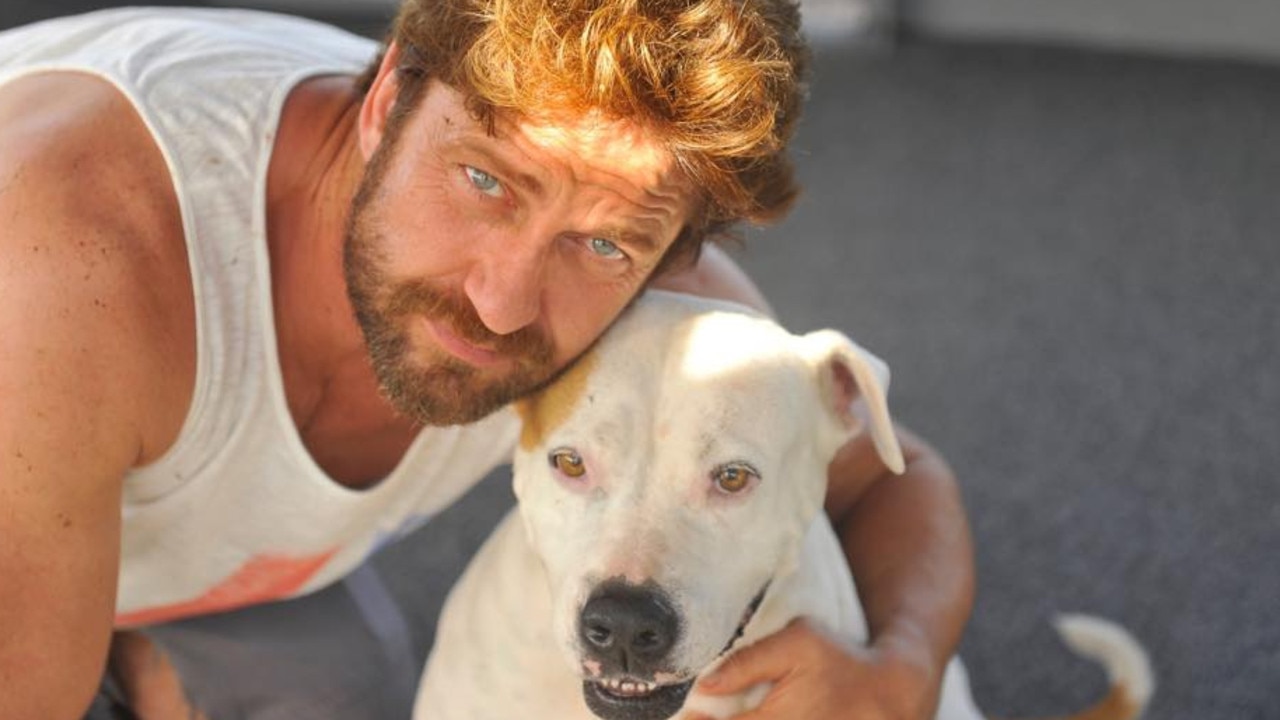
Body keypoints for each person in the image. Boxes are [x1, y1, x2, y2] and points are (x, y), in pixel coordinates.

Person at [0, 1, 975, 719]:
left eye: (604, 243)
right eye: (486, 181)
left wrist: (901, 672)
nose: (502, 301)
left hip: (164, 550)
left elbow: (893, 479)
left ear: (673, 256)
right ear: (387, 100)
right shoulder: (74, 269)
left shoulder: (659, 316)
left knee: (342, 696)